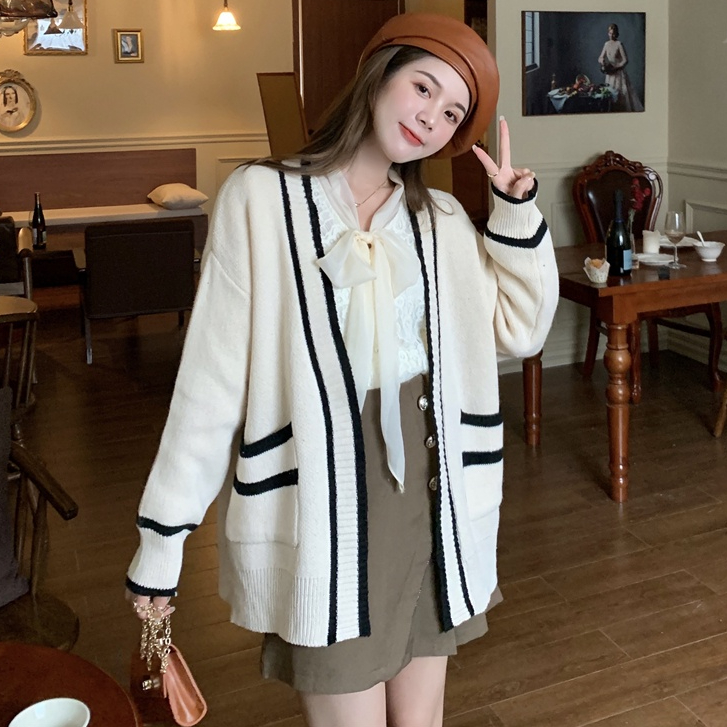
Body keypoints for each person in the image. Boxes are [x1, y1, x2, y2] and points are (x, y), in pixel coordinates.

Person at [125, 12, 558, 727]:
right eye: (424, 87)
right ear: (379, 74)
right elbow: (210, 384)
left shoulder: (442, 220)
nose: (432, 117)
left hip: (432, 497)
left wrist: (514, 212)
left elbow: (523, 328)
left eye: (453, 113)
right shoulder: (261, 198)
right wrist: (162, 544)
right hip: (322, 509)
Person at [598, 23, 644, 112]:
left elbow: (625, 60)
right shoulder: (606, 44)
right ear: (608, 33)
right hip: (610, 73)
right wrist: (602, 61)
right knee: (610, 93)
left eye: (613, 34)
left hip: (618, 73)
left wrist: (616, 67)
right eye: (610, 33)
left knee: (620, 93)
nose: (611, 36)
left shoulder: (619, 44)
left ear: (617, 34)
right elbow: (600, 57)